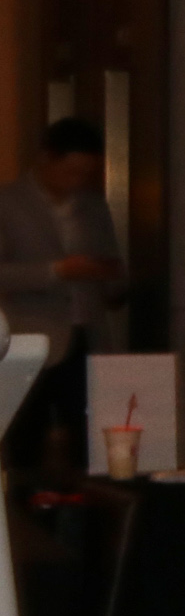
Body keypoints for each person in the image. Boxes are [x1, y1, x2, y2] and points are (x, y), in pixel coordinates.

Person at [0, 116, 124, 470]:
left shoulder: (93, 206)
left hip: (88, 334)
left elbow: (113, 263)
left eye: (86, 173)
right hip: (31, 335)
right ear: (46, 159)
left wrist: (109, 275)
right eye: (71, 171)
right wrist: (57, 271)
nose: (78, 181)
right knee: (26, 439)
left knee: (91, 439)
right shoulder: (7, 203)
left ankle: (87, 502)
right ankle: (27, 502)